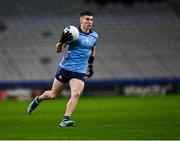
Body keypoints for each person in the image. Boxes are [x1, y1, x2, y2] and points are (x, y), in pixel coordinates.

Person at [27, 11, 99, 127]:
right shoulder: (73, 33)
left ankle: (65, 119)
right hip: (65, 68)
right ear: (81, 20)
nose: (89, 22)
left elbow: (93, 49)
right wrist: (61, 42)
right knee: (52, 95)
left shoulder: (94, 36)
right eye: (87, 19)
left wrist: (90, 66)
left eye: (91, 19)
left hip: (79, 71)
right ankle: (38, 99)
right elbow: (58, 50)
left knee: (76, 93)